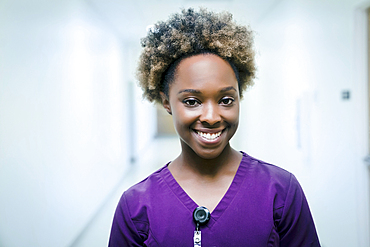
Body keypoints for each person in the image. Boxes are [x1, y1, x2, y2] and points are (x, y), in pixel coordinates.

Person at [109, 8, 320, 247]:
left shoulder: (281, 191)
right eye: (192, 101)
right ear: (167, 101)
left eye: (226, 100)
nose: (211, 117)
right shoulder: (136, 206)